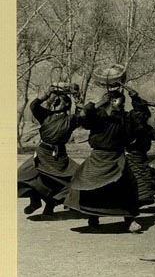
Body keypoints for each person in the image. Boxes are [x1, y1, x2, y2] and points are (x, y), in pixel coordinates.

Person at [64, 90, 141, 233]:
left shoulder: (124, 118)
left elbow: (140, 115)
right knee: (92, 187)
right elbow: (82, 116)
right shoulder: (98, 116)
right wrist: (99, 102)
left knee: (127, 187)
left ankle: (130, 220)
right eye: (121, 102)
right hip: (98, 157)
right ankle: (93, 220)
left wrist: (135, 98)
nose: (123, 105)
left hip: (117, 157)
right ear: (111, 101)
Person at [18, 87, 80, 215]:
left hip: (58, 156)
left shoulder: (71, 120)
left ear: (67, 104)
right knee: (25, 175)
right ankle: (35, 201)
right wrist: (46, 95)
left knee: (61, 180)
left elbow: (84, 114)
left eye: (60, 100)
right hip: (42, 153)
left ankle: (51, 204)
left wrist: (77, 98)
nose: (56, 102)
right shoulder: (46, 115)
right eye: (55, 100)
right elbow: (34, 106)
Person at [124, 90, 155, 207]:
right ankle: (135, 202)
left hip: (142, 154)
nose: (140, 115)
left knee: (142, 175)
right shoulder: (128, 119)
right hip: (131, 153)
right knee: (136, 177)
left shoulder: (145, 122)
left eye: (142, 113)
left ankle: (140, 199)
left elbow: (153, 135)